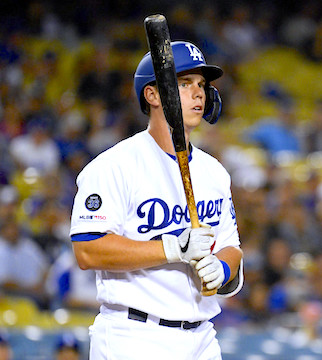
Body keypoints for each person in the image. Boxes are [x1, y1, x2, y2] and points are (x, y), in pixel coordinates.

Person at [70, 40, 244, 360]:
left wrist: (220, 268)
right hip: (134, 334)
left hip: (203, 335)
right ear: (152, 95)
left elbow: (232, 247)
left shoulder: (215, 172)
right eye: (183, 83)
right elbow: (87, 250)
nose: (199, 93)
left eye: (202, 84)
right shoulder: (114, 166)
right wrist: (174, 248)